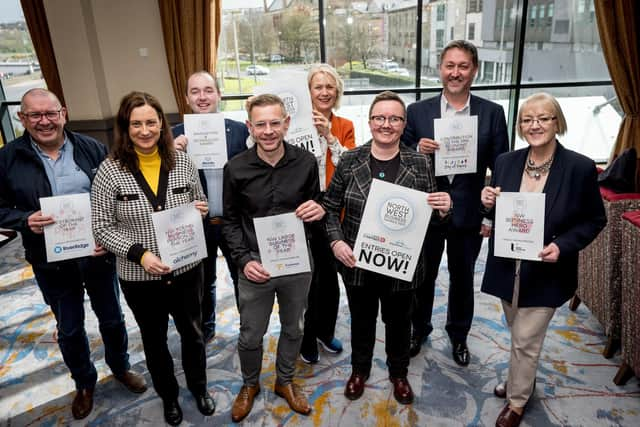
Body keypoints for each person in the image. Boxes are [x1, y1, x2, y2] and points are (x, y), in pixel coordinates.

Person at [0, 88, 146, 420]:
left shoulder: (92, 149)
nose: (44, 121)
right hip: (49, 260)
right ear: (22, 118)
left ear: (63, 113)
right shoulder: (7, 159)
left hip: (96, 254)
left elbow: (116, 197)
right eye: (34, 115)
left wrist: (109, 236)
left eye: (50, 113)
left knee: (112, 317)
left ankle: (120, 367)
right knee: (69, 327)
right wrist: (24, 220)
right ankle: (84, 381)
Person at [480, 93, 606, 427]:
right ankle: (522, 377)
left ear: (557, 122)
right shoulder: (506, 162)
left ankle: (517, 401)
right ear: (520, 126)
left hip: (547, 268)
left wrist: (563, 246)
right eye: (527, 119)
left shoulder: (579, 167)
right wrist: (488, 203)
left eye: (544, 118)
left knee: (525, 339)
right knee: (518, 332)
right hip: (508, 266)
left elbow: (595, 220)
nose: (535, 125)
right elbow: (495, 212)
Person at [91, 91, 214, 426]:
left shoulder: (182, 161)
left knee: (193, 333)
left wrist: (200, 210)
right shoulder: (109, 172)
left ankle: (199, 388)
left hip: (187, 269)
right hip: (139, 277)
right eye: (136, 124)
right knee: (154, 340)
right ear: (125, 127)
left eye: (151, 122)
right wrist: (140, 255)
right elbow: (101, 227)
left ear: (161, 123)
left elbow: (198, 199)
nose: (144, 130)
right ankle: (169, 396)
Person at [323, 91, 452, 405]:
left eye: (394, 118)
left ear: (403, 124)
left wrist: (445, 207)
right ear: (370, 122)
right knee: (362, 320)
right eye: (379, 117)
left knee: (398, 322)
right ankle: (360, 371)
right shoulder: (350, 160)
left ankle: (399, 373)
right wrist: (336, 241)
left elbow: (432, 215)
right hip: (358, 261)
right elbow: (328, 208)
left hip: (401, 264)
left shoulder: (420, 162)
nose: (386, 124)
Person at [401, 40, 509, 365]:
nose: (456, 73)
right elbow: (401, 159)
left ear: (474, 70)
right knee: (422, 277)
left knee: (463, 280)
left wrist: (490, 216)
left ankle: (458, 335)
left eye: (463, 66)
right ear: (440, 69)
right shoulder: (417, 111)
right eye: (450, 66)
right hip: (427, 211)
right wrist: (417, 150)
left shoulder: (492, 113)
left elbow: (502, 168)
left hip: (469, 213)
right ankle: (418, 329)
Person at [223, 94, 325, 422]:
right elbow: (229, 220)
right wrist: (242, 260)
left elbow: (317, 205)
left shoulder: (306, 162)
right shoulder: (236, 168)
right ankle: (250, 384)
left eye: (275, 123)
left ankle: (284, 381)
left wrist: (318, 208)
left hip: (297, 261)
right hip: (254, 262)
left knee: (294, 327)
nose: (268, 131)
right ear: (250, 127)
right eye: (261, 124)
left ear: (286, 124)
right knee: (251, 333)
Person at [172, 70, 249, 341]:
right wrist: (172, 155)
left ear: (219, 95)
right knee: (202, 283)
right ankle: (206, 327)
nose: (202, 97)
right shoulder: (173, 137)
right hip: (196, 224)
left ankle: (249, 327)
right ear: (186, 98)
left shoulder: (240, 131)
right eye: (195, 91)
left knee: (243, 278)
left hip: (234, 222)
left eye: (208, 90)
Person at [300, 63, 356, 364]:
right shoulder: (294, 123)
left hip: (334, 206)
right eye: (317, 86)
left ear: (337, 93)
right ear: (308, 92)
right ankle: (306, 337)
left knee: (332, 280)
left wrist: (330, 136)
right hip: (304, 208)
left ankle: (325, 331)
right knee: (310, 280)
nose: (324, 92)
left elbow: (352, 164)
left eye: (329, 87)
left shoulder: (344, 124)